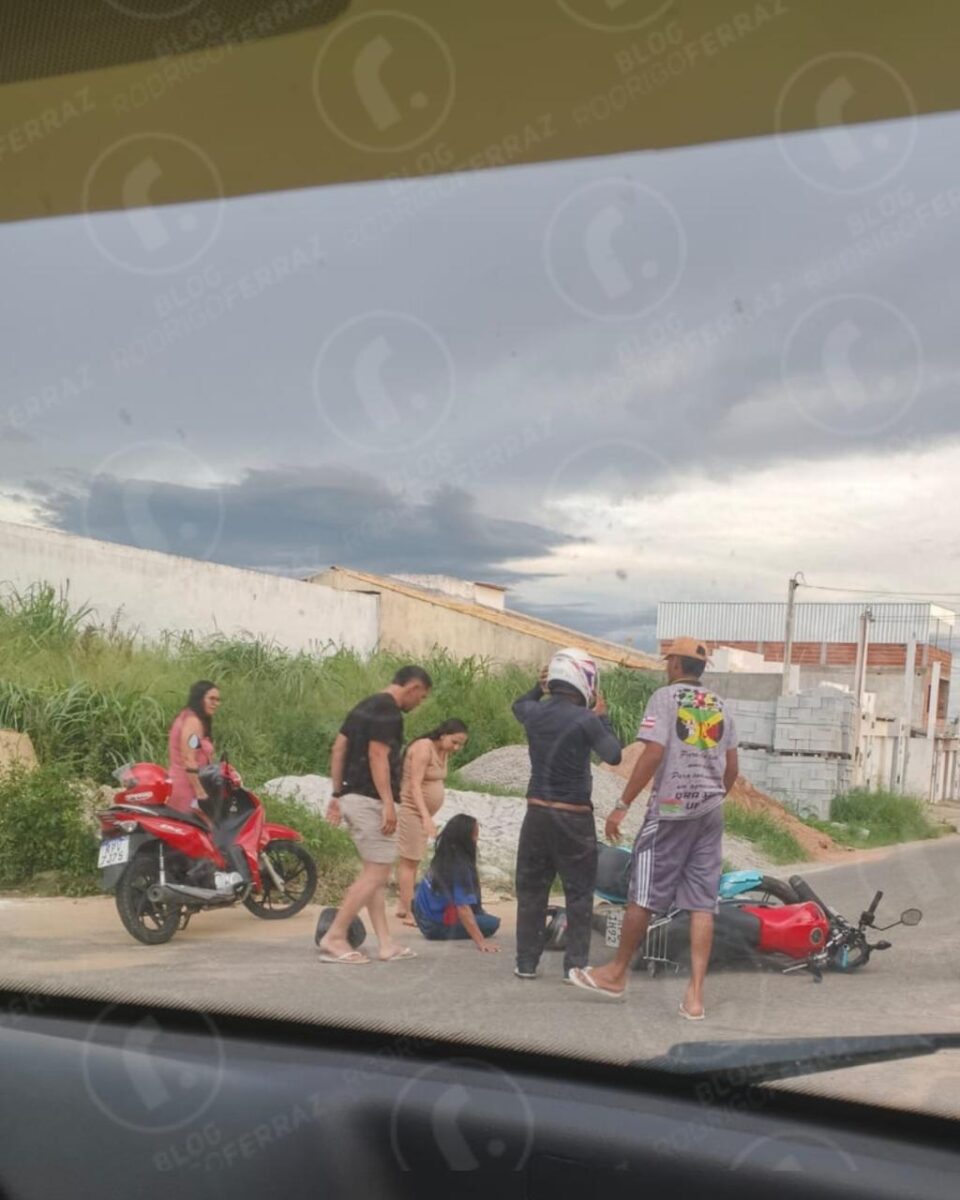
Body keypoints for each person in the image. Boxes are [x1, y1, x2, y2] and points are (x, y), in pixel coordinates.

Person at [569, 637, 739, 1018]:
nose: (667, 667)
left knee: (643, 892)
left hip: (671, 812)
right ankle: (695, 997)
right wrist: (712, 798)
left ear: (675, 664)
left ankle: (616, 974)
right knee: (702, 903)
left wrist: (622, 805)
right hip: (710, 812)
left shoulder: (665, 698)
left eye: (668, 662)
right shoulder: (721, 705)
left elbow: (654, 753)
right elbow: (733, 768)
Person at [512, 648, 623, 982]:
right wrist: (602, 717)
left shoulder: (534, 713)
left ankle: (526, 963)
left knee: (532, 892)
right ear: (584, 679)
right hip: (573, 818)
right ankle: (573, 966)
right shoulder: (586, 720)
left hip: (536, 814)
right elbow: (614, 755)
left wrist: (537, 688)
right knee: (578, 893)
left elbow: (518, 705)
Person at [319, 664, 433, 964]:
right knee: (376, 873)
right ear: (414, 688)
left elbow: (338, 749)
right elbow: (377, 754)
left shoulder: (365, 706)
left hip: (353, 796)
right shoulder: (388, 710)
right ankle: (335, 936)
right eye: (421, 697)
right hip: (371, 801)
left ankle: (385, 944)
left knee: (375, 875)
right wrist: (388, 802)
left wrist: (337, 794)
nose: (418, 703)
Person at [395, 719, 469, 925]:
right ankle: (410, 912)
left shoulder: (443, 751)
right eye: (455, 742)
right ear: (443, 735)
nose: (457, 748)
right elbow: (415, 785)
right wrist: (425, 817)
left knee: (415, 859)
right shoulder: (423, 748)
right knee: (409, 860)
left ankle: (403, 904)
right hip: (412, 809)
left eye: (461, 744)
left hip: (424, 811)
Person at [411, 814, 501, 951]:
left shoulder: (444, 854)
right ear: (465, 838)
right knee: (492, 923)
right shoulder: (460, 867)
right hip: (434, 926)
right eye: (475, 835)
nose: (477, 839)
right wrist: (481, 942)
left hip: (420, 914)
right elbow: (463, 908)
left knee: (479, 914)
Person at [167, 680, 220, 815]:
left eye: (217, 700)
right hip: (187, 788)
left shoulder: (190, 717)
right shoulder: (193, 722)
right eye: (211, 699)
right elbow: (189, 758)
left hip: (189, 783)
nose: (215, 703)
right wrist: (200, 792)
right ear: (200, 698)